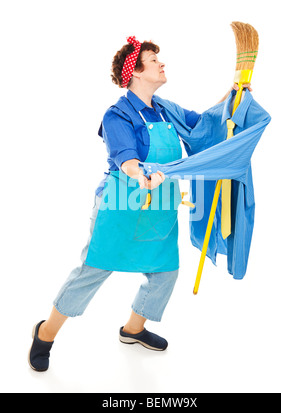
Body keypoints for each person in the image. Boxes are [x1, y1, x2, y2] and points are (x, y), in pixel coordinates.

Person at [29, 36, 251, 372]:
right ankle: (45, 334)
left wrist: (236, 95)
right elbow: (126, 159)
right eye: (153, 60)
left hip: (159, 206)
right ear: (135, 72)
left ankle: (133, 330)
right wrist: (142, 174)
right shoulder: (118, 114)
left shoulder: (165, 109)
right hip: (122, 204)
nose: (161, 64)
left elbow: (207, 125)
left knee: (165, 272)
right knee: (92, 271)